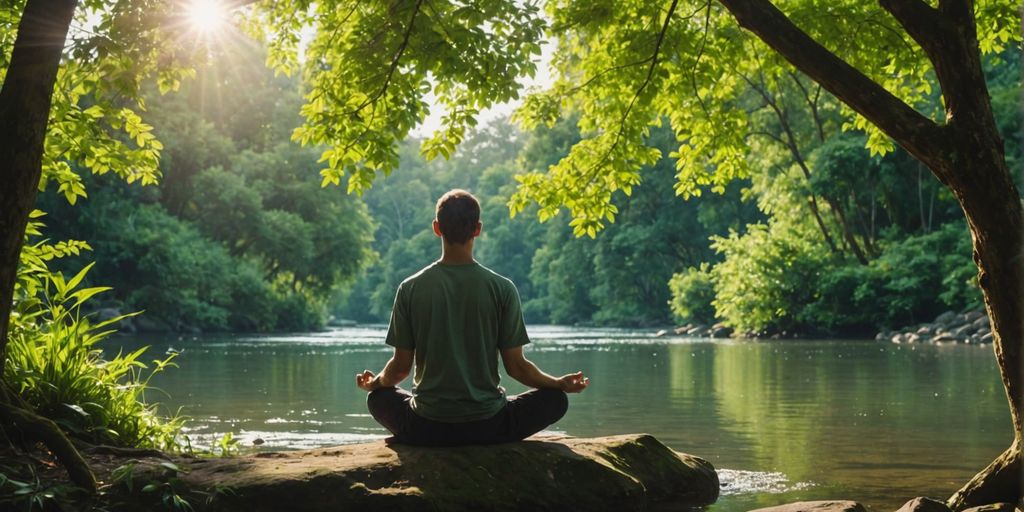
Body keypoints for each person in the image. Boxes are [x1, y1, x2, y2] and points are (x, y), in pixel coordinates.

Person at [355, 189, 589, 446]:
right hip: (488, 427)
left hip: (426, 427)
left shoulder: (410, 288)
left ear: (436, 228)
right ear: (477, 229)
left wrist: (375, 383)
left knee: (377, 398)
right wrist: (558, 383)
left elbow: (399, 369)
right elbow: (517, 367)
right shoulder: (502, 288)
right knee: (556, 399)